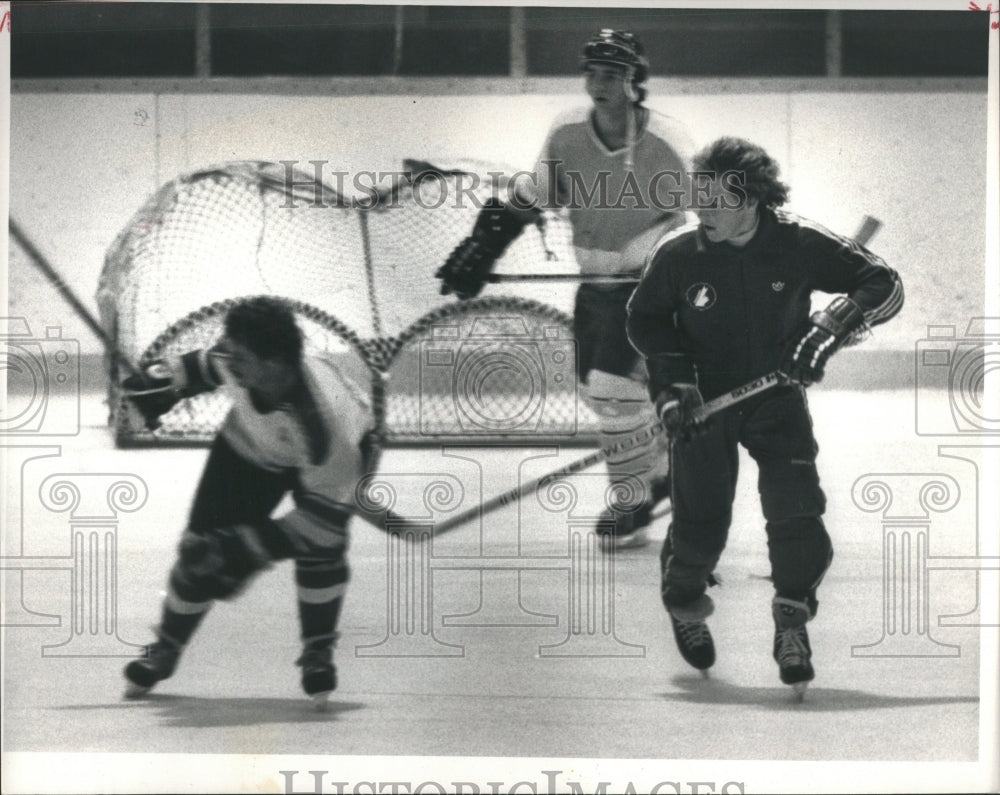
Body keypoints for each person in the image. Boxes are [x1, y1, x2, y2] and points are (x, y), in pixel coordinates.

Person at [626, 137, 903, 695]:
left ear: (748, 199)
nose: (699, 210)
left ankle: (792, 620)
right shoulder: (680, 254)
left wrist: (831, 327)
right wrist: (675, 387)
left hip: (776, 398)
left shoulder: (797, 241)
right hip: (703, 401)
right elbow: (647, 322)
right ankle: (683, 596)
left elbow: (885, 284)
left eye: (712, 198)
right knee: (701, 524)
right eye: (696, 195)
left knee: (796, 510)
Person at [437, 28, 695, 549]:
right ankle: (665, 467)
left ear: (634, 80)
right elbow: (532, 195)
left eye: (613, 73)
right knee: (599, 393)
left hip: (648, 287)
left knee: (614, 391)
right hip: (594, 287)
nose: (600, 82)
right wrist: (484, 245)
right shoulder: (568, 133)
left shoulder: (667, 139)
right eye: (594, 72)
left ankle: (633, 500)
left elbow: (705, 214)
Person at [120, 296, 376, 707]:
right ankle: (166, 648)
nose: (229, 360)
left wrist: (252, 546)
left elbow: (320, 529)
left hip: (330, 463)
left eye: (240, 357)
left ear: (274, 364)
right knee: (199, 552)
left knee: (321, 553)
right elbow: (203, 365)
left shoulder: (327, 428)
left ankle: (317, 651)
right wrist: (163, 382)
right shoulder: (248, 357)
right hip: (254, 442)